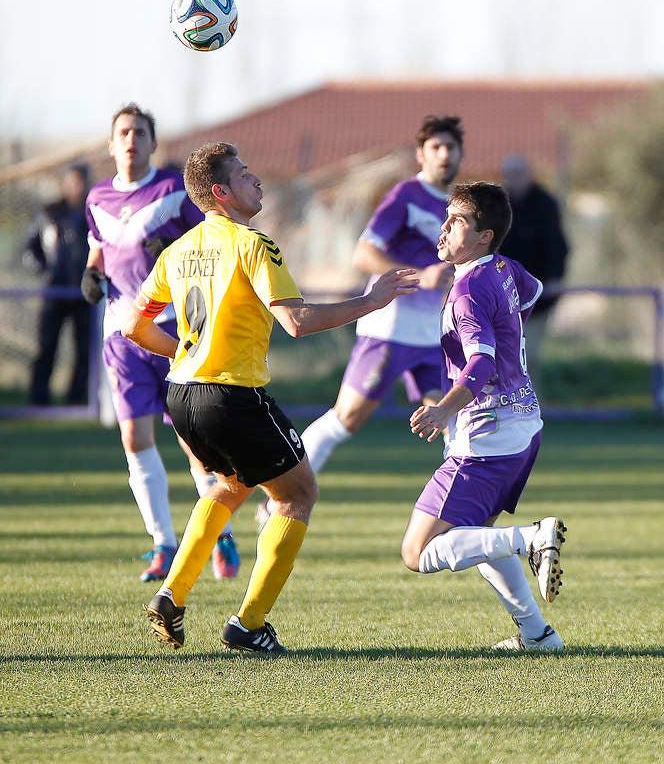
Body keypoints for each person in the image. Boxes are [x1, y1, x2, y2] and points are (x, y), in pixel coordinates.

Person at [121, 141, 418, 653]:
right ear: (221, 192)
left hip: (183, 395)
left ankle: (173, 594)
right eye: (244, 175)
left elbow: (133, 326)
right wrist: (371, 301)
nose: (256, 180)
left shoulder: (178, 250)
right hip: (231, 395)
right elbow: (297, 322)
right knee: (297, 495)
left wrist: (187, 356)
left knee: (230, 486)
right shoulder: (253, 244)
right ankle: (249, 625)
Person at [256, 115, 464, 528]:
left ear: (461, 154)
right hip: (389, 333)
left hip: (435, 338)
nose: (444, 154)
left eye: (451, 147)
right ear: (421, 154)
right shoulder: (405, 196)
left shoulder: (459, 207)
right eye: (436, 147)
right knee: (346, 418)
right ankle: (278, 499)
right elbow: (364, 254)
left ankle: (458, 512)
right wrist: (420, 275)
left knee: (450, 419)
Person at [400, 181, 567, 651]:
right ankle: (537, 634)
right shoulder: (504, 269)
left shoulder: (468, 291)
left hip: (485, 438)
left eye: (459, 221)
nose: (446, 226)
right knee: (477, 535)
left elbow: (482, 362)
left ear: (483, 237)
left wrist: (441, 410)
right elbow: (531, 294)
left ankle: (532, 538)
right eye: (447, 216)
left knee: (417, 552)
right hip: (523, 425)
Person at [82, 102, 240, 582]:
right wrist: (91, 276)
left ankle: (219, 532)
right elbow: (98, 253)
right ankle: (164, 545)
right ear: (111, 144)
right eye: (123, 132)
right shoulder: (96, 198)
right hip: (122, 334)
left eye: (140, 132)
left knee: (192, 442)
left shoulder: (173, 190)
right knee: (134, 436)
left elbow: (215, 241)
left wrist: (172, 252)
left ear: (153, 142)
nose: (131, 140)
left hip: (175, 329)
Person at [22, 163, 92, 405]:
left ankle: (77, 399)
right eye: (72, 181)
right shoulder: (48, 212)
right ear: (65, 183)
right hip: (53, 292)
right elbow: (30, 249)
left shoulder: (93, 212)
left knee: (84, 350)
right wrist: (46, 270)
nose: (77, 186)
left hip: (84, 293)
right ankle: (38, 399)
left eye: (81, 181)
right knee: (46, 346)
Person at [499, 153, 568, 389]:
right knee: (503, 356)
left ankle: (530, 409)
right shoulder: (498, 205)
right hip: (504, 296)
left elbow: (557, 246)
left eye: (518, 173)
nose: (514, 179)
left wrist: (554, 279)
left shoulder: (545, 204)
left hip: (538, 297)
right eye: (510, 174)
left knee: (529, 354)